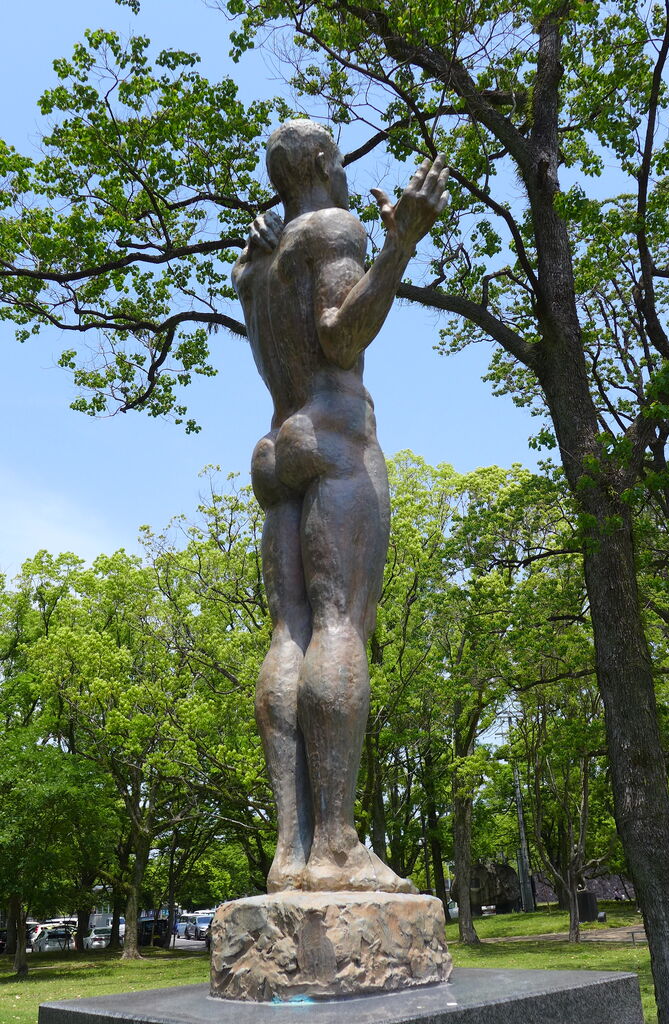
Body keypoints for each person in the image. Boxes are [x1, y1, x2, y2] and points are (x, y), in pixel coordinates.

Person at [232, 119, 449, 893]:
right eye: (343, 157)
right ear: (323, 160)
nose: (350, 171)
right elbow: (339, 335)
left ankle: (289, 853)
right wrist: (400, 245)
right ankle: (336, 846)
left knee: (289, 630)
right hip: (334, 436)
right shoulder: (333, 227)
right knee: (339, 624)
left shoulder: (256, 264)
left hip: (276, 448)